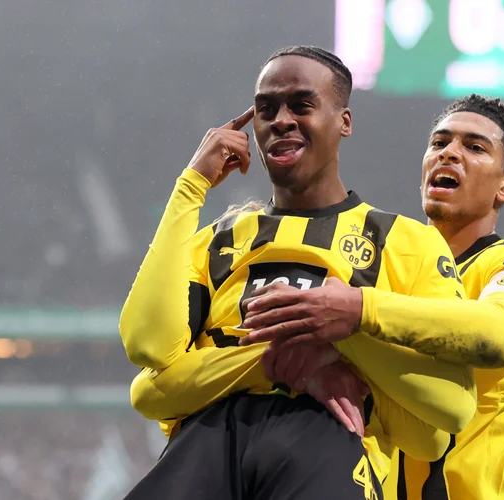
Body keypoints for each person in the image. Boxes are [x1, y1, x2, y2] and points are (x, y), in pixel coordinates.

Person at [119, 46, 477, 500]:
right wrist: (191, 186)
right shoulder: (218, 240)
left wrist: (349, 330)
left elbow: (452, 410)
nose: (280, 120)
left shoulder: (406, 241)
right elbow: (146, 347)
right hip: (209, 440)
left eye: (301, 105)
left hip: (330, 444)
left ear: (344, 122)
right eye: (266, 109)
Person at [239, 94, 504, 500]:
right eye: (439, 143)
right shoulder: (389, 272)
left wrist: (360, 310)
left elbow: (501, 334)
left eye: (474, 147)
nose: (449, 154)